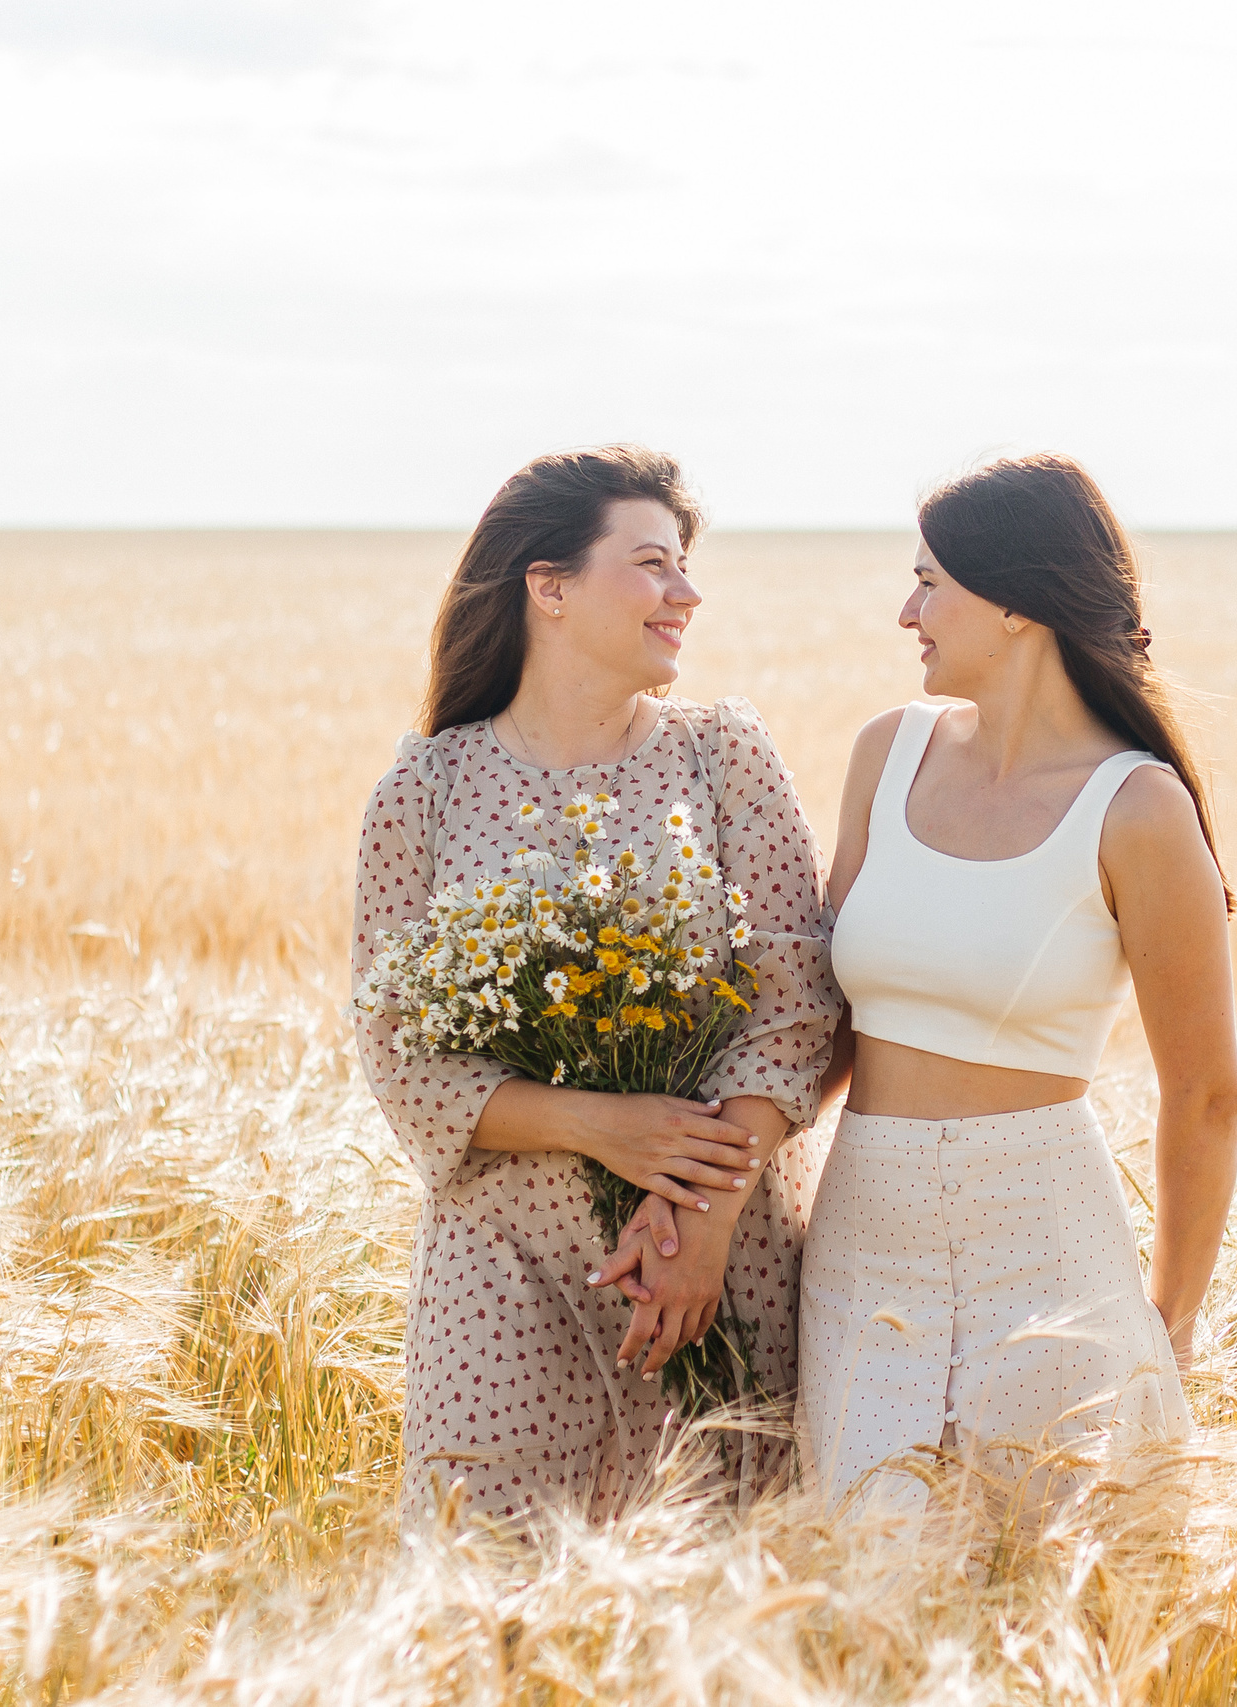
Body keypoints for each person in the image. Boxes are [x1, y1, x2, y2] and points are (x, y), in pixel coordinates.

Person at [351, 445, 837, 1524]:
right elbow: (396, 1053)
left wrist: (699, 1221)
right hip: (503, 1265)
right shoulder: (423, 792)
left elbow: (798, 1004)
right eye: (654, 564)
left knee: (715, 1606)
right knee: (490, 1596)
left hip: (718, 1258)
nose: (687, 593)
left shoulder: (724, 757)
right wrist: (602, 1127)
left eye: (686, 568)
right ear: (550, 585)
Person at [802, 452, 1237, 1516]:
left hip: (1048, 1255)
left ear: (1013, 605)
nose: (908, 611)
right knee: (866, 1595)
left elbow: (1205, 1093)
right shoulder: (885, 753)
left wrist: (1166, 1322)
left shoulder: (1136, 808)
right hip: (861, 1244)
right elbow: (819, 1027)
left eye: (929, 582)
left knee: (1051, 1598)